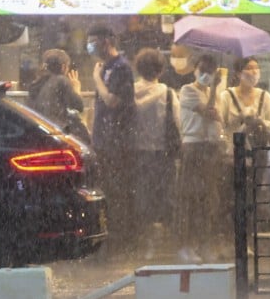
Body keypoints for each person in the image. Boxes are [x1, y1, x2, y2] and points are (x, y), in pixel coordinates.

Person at [87, 24, 137, 252]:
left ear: (106, 42)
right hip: (103, 141)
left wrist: (96, 78)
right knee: (106, 189)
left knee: (117, 191)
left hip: (117, 142)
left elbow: (113, 101)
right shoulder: (105, 67)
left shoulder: (121, 68)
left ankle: (120, 241)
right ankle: (109, 241)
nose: (90, 46)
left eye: (93, 41)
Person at [176, 53, 227, 263]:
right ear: (195, 69)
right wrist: (214, 89)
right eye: (203, 70)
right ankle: (186, 245)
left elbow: (219, 118)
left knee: (209, 199)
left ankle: (204, 244)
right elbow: (207, 112)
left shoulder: (216, 94)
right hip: (193, 147)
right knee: (189, 198)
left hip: (211, 148)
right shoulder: (188, 90)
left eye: (211, 70)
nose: (206, 75)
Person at [132, 47, 180, 259]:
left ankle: (144, 240)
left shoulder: (130, 92)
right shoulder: (168, 93)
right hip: (163, 153)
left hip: (138, 153)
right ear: (160, 70)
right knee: (165, 195)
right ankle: (165, 242)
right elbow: (178, 124)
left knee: (142, 195)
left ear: (138, 69)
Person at [220, 56, 270, 186]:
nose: (254, 72)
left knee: (256, 192)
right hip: (233, 155)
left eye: (256, 68)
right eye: (249, 68)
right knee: (234, 191)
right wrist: (238, 120)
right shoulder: (226, 96)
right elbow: (220, 125)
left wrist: (260, 122)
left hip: (258, 153)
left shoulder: (264, 96)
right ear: (238, 73)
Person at [26, 48, 86, 139]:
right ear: (63, 67)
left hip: (39, 132)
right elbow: (78, 106)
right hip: (56, 132)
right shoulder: (61, 80)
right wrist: (76, 88)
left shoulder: (36, 84)